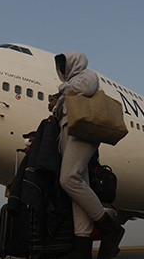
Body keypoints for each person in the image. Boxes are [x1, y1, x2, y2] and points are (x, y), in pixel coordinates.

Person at [54, 51, 124, 259]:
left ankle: (109, 228)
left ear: (74, 63)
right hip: (69, 130)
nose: (61, 69)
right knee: (78, 186)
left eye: (63, 64)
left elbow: (87, 88)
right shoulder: (70, 84)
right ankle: (82, 245)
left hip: (83, 130)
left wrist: (63, 89)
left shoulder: (87, 74)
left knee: (68, 179)